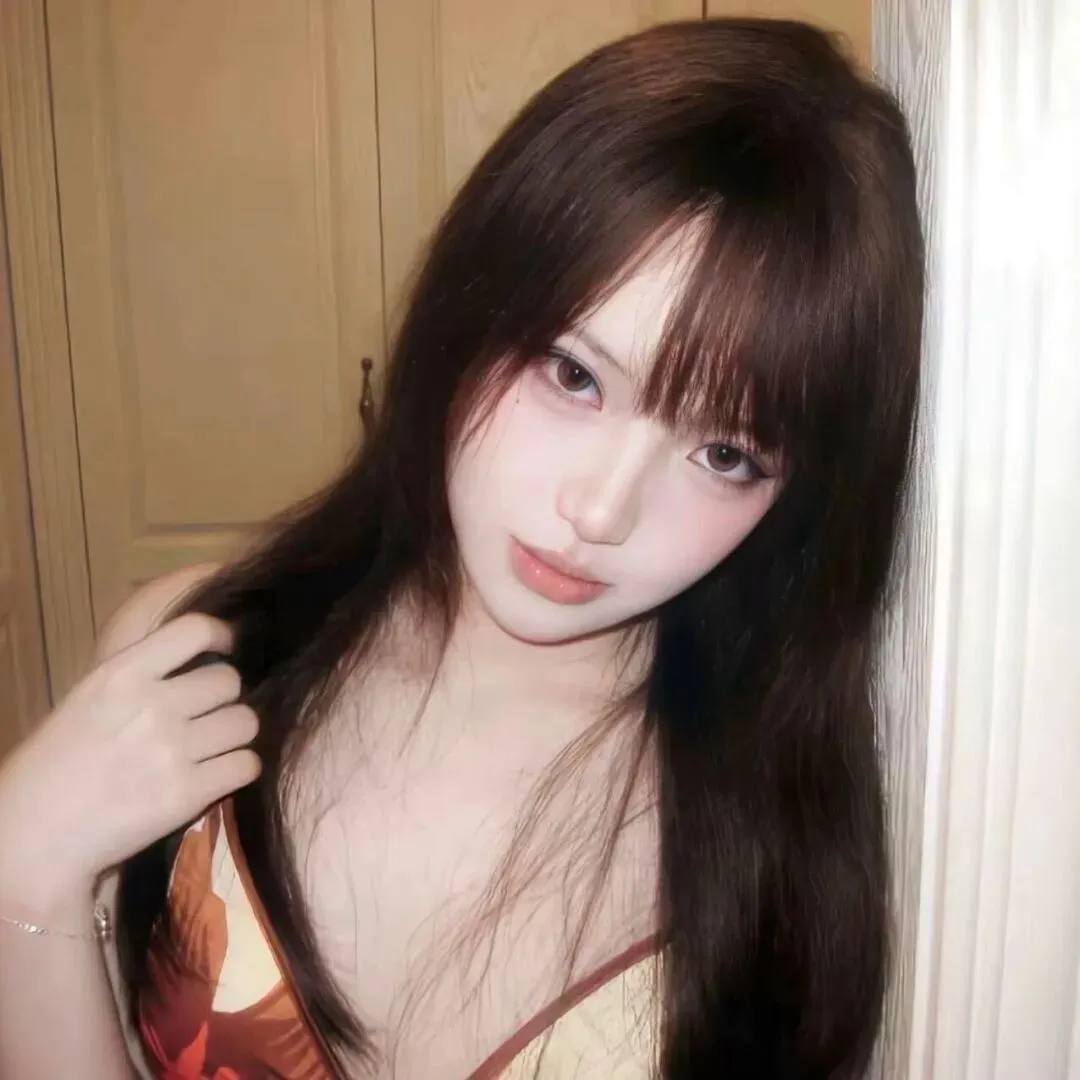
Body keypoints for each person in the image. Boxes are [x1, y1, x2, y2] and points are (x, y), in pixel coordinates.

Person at [0, 16, 924, 1080]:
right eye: (573, 375)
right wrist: (26, 875)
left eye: (724, 454)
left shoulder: (783, 834)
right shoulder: (197, 660)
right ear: (468, 312)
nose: (600, 510)